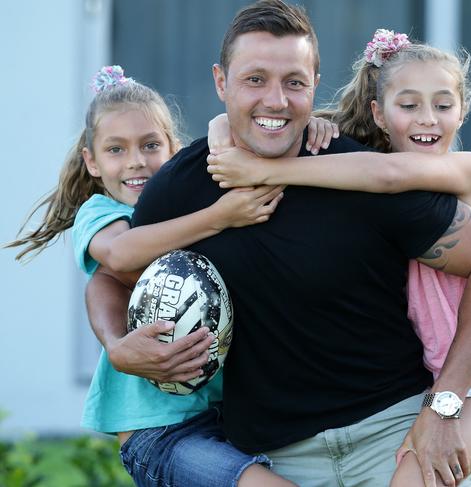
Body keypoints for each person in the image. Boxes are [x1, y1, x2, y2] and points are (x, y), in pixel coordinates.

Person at [86, 1, 471, 486]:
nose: (275, 100)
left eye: (294, 82)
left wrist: (446, 406)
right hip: (274, 457)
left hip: (396, 434)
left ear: (314, 85)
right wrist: (117, 346)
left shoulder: (362, 176)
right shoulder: (180, 187)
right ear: (220, 82)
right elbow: (114, 273)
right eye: (254, 79)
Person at [206, 32, 471, 487]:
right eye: (408, 105)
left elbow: (390, 175)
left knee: (412, 478)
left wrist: (264, 170)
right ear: (378, 112)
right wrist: (224, 129)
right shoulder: (363, 171)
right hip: (445, 372)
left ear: (463, 110)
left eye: (443, 105)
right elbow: (274, 129)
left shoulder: (467, 168)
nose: (427, 119)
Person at [6, 65, 294, 487]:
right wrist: (220, 217)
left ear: (174, 150)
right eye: (116, 149)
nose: (136, 161)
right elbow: (119, 257)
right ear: (92, 161)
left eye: (150, 145)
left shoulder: (185, 209)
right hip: (157, 433)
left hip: (227, 417)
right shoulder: (103, 213)